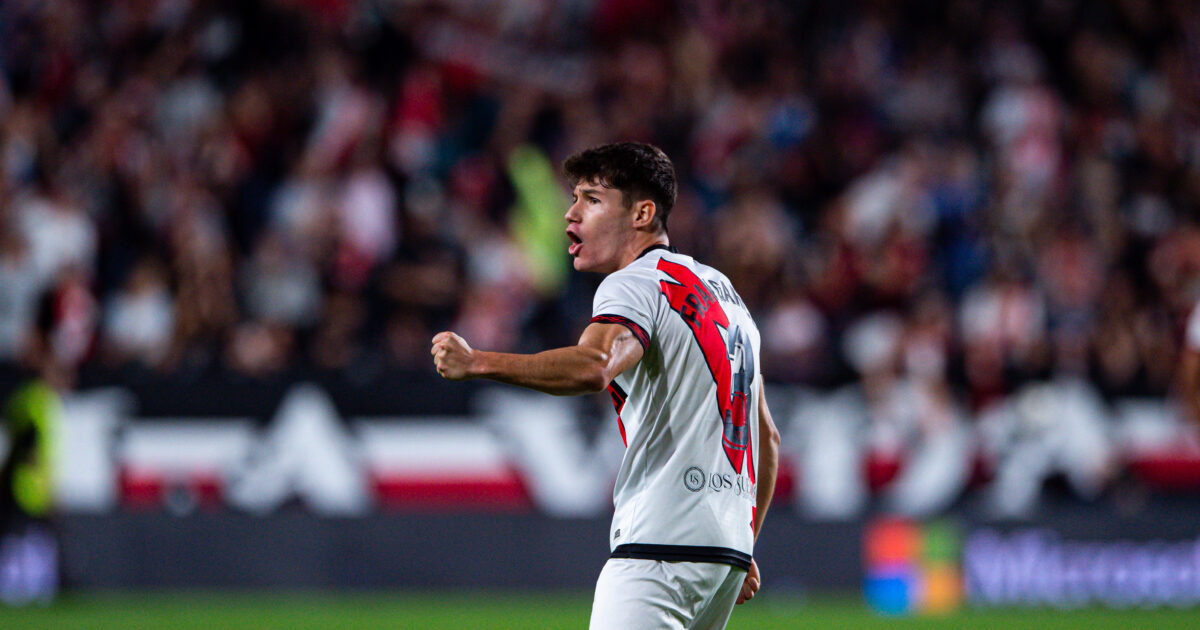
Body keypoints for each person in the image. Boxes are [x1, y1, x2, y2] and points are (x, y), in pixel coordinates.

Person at [432, 142, 780, 629]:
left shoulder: (635, 283)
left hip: (660, 546)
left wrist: (478, 362)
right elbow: (767, 438)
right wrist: (745, 540)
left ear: (642, 214)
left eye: (592, 199)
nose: (571, 213)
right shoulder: (727, 298)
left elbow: (595, 365)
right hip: (725, 553)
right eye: (574, 197)